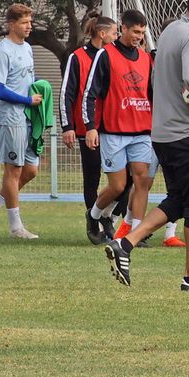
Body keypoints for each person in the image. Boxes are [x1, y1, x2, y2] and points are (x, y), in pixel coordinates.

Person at [104, 0, 189, 291]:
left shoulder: (170, 31)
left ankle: (125, 244)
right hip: (187, 133)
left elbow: (165, 82)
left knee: (179, 199)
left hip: (163, 133)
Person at [83, 10, 160, 245]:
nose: (139, 36)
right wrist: (90, 126)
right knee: (117, 186)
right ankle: (94, 215)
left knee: (142, 181)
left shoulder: (146, 58)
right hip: (113, 132)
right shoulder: (105, 55)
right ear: (123, 29)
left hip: (142, 131)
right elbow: (90, 94)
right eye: (135, 31)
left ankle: (135, 234)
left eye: (142, 32)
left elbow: (151, 95)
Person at [0, 3, 42, 240]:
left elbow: (27, 80)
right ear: (11, 25)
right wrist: (26, 99)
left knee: (30, 170)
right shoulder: (3, 50)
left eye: (30, 22)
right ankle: (16, 227)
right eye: (24, 23)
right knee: (13, 171)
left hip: (27, 118)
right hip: (10, 118)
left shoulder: (28, 48)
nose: (29, 26)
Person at [62, 14, 119, 244]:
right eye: (114, 33)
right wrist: (67, 126)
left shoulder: (114, 57)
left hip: (113, 127)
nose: (116, 36)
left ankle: (108, 215)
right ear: (102, 34)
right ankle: (95, 225)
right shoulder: (77, 57)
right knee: (92, 176)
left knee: (126, 179)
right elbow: (67, 93)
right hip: (88, 128)